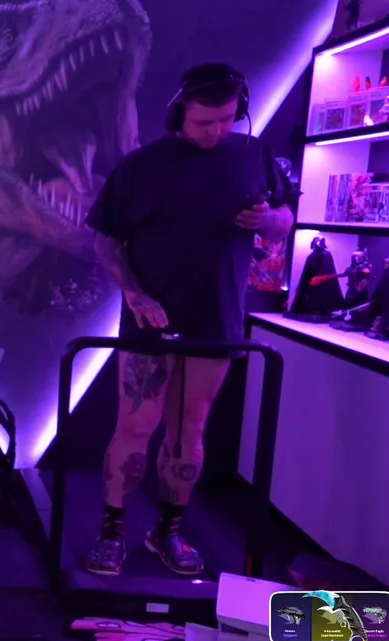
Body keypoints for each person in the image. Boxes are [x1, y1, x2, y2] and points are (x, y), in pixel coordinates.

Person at [84, 63, 294, 577]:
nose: (215, 131)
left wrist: (269, 219)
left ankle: (167, 531)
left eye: (225, 120)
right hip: (149, 318)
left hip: (216, 317)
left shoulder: (253, 155)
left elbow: (285, 221)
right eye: (204, 122)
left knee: (190, 428)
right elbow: (105, 238)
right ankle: (111, 533)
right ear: (180, 113)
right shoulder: (142, 166)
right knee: (135, 425)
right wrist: (133, 292)